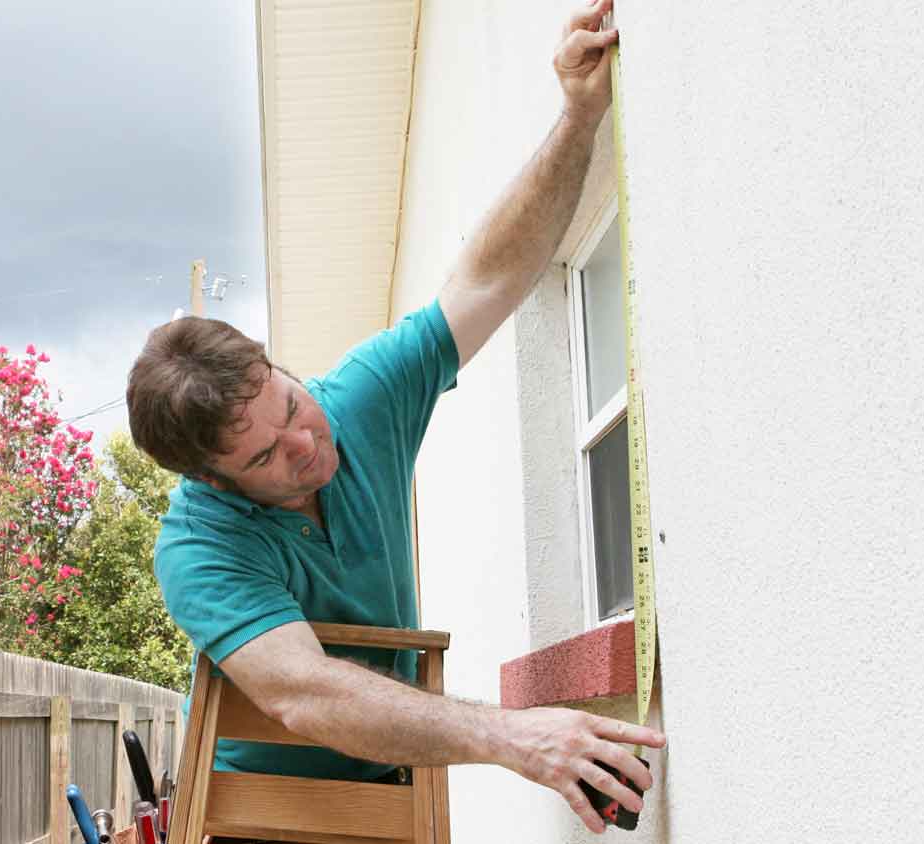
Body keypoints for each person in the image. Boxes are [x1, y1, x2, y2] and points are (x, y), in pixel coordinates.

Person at [124, 0, 665, 835]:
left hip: (393, 785)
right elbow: (303, 692)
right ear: (214, 478)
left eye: (292, 402)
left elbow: (486, 281)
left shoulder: (359, 400)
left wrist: (577, 115)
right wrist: (511, 736)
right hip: (260, 814)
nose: (309, 443)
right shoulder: (199, 547)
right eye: (268, 455)